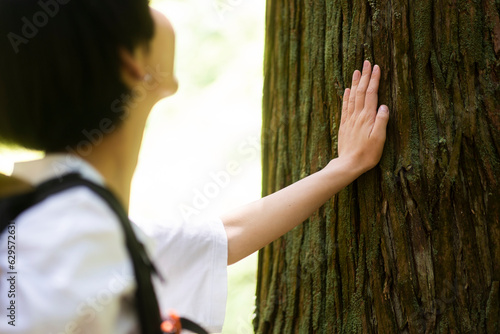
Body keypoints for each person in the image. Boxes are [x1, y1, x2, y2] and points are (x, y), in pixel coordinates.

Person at [0, 0, 389, 333]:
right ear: (132, 63)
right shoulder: (63, 237)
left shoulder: (66, 218)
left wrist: (344, 167)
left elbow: (225, 236)